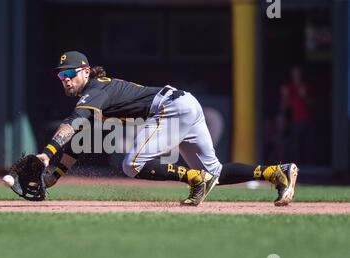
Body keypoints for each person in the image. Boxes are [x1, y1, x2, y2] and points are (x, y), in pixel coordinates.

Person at [37, 51, 298, 206]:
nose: (66, 80)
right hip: (184, 104)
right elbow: (79, 136)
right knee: (214, 172)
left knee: (132, 165)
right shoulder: (96, 94)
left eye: (70, 74)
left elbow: (74, 122)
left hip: (171, 109)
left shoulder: (95, 89)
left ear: (85, 71)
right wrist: (55, 175)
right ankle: (278, 173)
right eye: (61, 76)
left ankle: (195, 179)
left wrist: (48, 153)